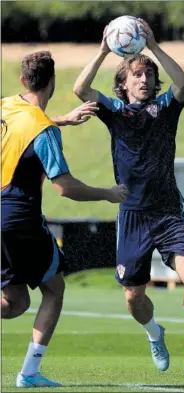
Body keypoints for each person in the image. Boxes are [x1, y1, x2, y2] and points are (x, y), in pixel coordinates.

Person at [73, 20, 184, 372]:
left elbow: (182, 83)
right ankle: (154, 334)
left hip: (168, 212)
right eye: (137, 75)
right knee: (133, 297)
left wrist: (154, 46)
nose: (144, 80)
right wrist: (103, 50)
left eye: (148, 75)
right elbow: (80, 88)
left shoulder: (165, 109)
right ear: (124, 83)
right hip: (132, 215)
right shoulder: (114, 113)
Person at [1, 50, 128, 388]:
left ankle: (30, 372)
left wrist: (61, 120)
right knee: (54, 290)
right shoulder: (43, 132)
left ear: (23, 81)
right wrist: (107, 193)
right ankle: (29, 373)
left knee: (16, 303)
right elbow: (65, 187)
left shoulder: (5, 106)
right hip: (19, 220)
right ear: (52, 83)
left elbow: (22, 128)